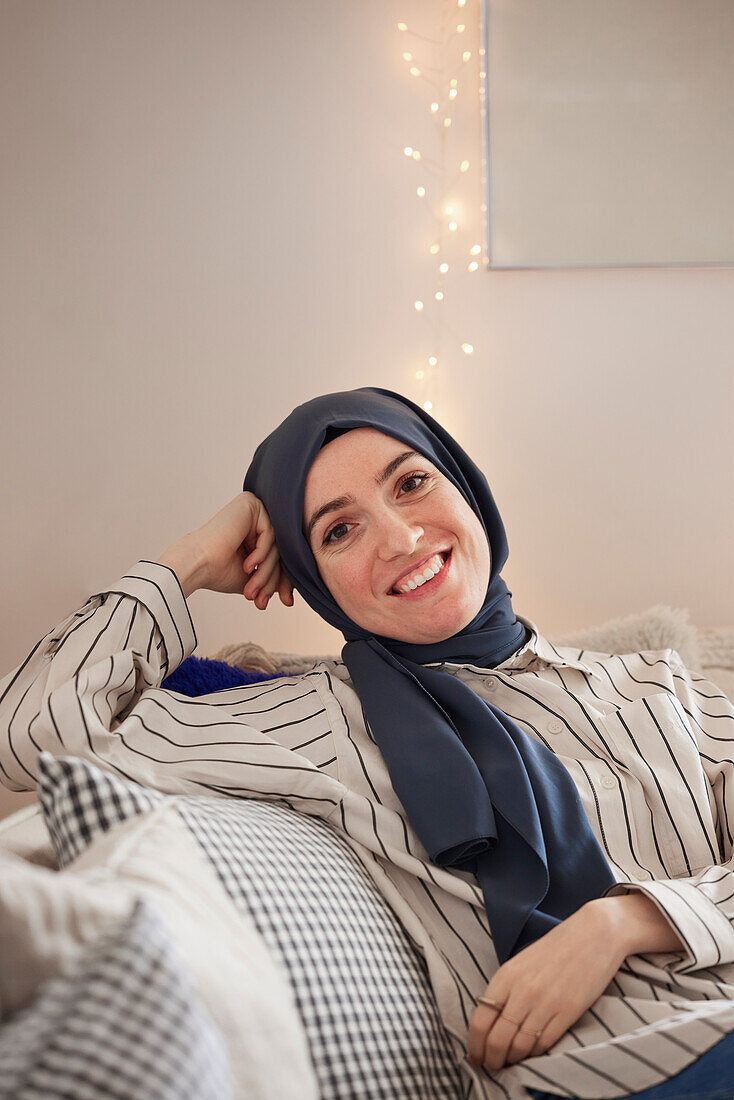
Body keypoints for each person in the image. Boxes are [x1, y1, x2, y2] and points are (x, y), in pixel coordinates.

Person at [1, 386, 734, 1100]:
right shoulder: (304, 721)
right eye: (336, 530)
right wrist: (188, 561)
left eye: (412, 484)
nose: (401, 538)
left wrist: (626, 920)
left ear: (466, 489)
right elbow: (34, 736)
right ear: (313, 579)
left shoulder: (659, 686)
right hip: (632, 1068)